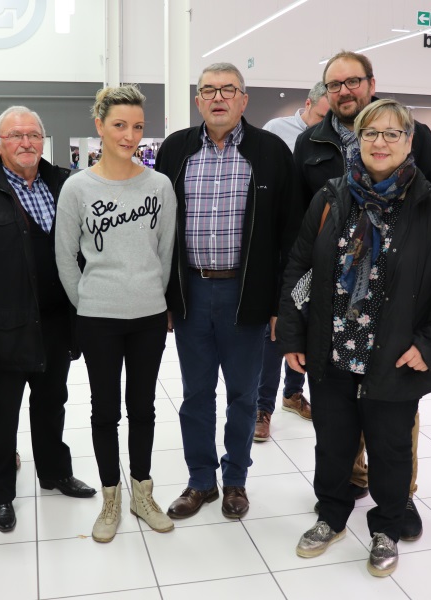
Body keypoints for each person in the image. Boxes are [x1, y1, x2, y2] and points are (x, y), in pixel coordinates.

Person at [278, 98, 431, 577]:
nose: (380, 142)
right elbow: (300, 268)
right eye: (370, 133)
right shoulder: (331, 198)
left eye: (392, 133)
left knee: (390, 449)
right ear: (358, 141)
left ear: (409, 142)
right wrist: (294, 335)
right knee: (333, 445)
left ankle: (386, 527)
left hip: (395, 356)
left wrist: (429, 346)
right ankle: (331, 517)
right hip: (332, 350)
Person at [0, 106, 95, 533]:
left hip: (56, 323)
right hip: (3, 328)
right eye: (16, 136)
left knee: (52, 403)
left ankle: (54, 473)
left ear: (43, 140)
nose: (26, 143)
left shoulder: (65, 184)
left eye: (34, 135)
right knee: (0, 414)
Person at [155, 63, 298, 520]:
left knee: (243, 395)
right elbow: (159, 228)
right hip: (191, 291)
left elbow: (290, 234)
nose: (218, 97)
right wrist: (166, 296)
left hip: (247, 293)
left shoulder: (271, 151)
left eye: (228, 90)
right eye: (208, 90)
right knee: (196, 394)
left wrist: (281, 304)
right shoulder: (176, 149)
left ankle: (236, 478)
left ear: (243, 99)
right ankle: (201, 481)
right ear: (198, 100)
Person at [55, 85, 177, 543]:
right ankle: (111, 498)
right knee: (104, 410)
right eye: (120, 125)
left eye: (138, 126)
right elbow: (65, 257)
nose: (129, 135)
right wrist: (87, 301)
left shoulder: (159, 186)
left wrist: (152, 297)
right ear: (100, 126)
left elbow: (165, 252)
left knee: (142, 407)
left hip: (148, 317)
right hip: (98, 318)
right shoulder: (78, 188)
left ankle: (142, 493)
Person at [252, 82, 332, 443]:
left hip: (321, 242)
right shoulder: (277, 130)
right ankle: (262, 406)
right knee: (277, 327)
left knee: (308, 322)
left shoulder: (338, 138)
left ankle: (293, 393)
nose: (325, 124)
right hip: (283, 244)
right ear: (308, 103)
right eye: (322, 115)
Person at [262, 82, 330, 152]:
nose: (327, 123)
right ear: (308, 104)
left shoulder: (335, 135)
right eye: (322, 117)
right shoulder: (275, 128)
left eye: (332, 118)